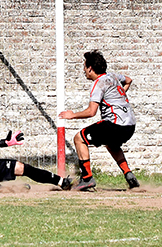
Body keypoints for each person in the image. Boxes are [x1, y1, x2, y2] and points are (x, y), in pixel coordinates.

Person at [58, 50, 140, 191]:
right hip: (130, 125)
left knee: (79, 138)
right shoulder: (113, 76)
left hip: (115, 124)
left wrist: (72, 115)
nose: (84, 70)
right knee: (112, 144)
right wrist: (120, 96)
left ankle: (87, 178)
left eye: (84, 67)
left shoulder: (98, 83)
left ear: (90, 68)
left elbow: (91, 112)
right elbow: (128, 80)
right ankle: (129, 175)